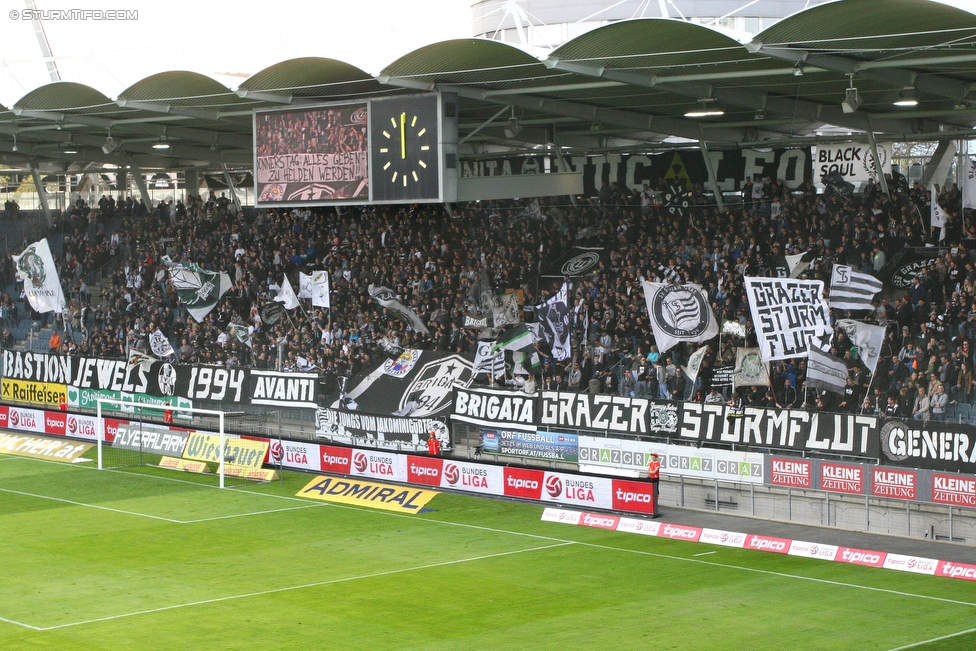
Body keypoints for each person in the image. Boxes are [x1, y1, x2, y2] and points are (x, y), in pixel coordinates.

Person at [646, 452, 661, 517]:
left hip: (656, 478)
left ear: (656, 457)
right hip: (651, 477)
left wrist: (651, 472)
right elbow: (647, 470)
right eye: (652, 457)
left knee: (656, 489)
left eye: (654, 457)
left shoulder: (657, 463)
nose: (653, 458)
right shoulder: (650, 463)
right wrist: (651, 472)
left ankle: (656, 502)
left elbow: (655, 471)